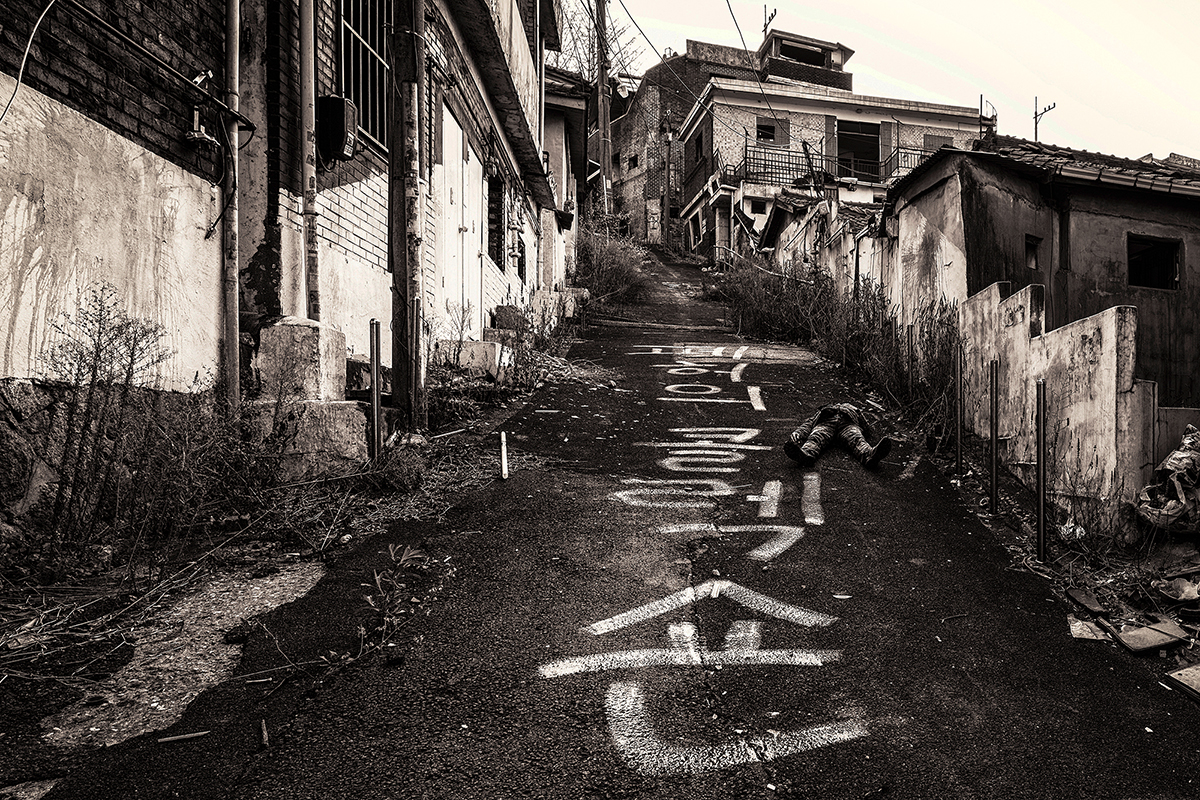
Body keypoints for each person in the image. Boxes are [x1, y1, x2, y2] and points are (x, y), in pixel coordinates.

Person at [783, 402, 892, 470]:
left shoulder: (852, 408)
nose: (838, 405)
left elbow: (864, 423)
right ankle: (805, 454)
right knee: (816, 437)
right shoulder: (822, 412)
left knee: (856, 439)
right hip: (826, 423)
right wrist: (798, 433)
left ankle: (870, 455)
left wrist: (866, 431)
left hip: (848, 424)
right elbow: (809, 424)